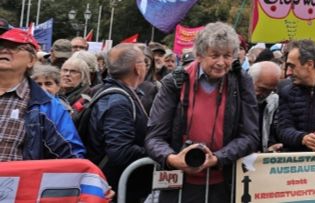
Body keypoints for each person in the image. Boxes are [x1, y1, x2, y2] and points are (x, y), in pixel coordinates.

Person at [145, 22, 258, 203]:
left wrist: (217, 159)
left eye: (227, 56)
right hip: (178, 185)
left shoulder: (241, 82)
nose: (221, 62)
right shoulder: (174, 82)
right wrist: (173, 159)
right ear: (199, 54)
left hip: (223, 185)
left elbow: (251, 136)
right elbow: (154, 137)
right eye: (214, 55)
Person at [0, 29, 84, 160]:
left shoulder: (48, 106)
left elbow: (70, 155)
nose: (4, 50)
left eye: (14, 47)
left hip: (19, 180)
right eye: (1, 46)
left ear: (31, 60)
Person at [84, 44, 151, 203]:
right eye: (144, 62)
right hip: (116, 190)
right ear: (137, 68)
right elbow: (120, 151)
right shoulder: (118, 102)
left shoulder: (117, 92)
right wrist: (158, 153)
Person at [248, 60, 281, 152]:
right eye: (261, 89)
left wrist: (271, 145)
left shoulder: (273, 100)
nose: (265, 94)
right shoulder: (234, 100)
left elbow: (272, 132)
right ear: (249, 81)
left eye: (270, 90)